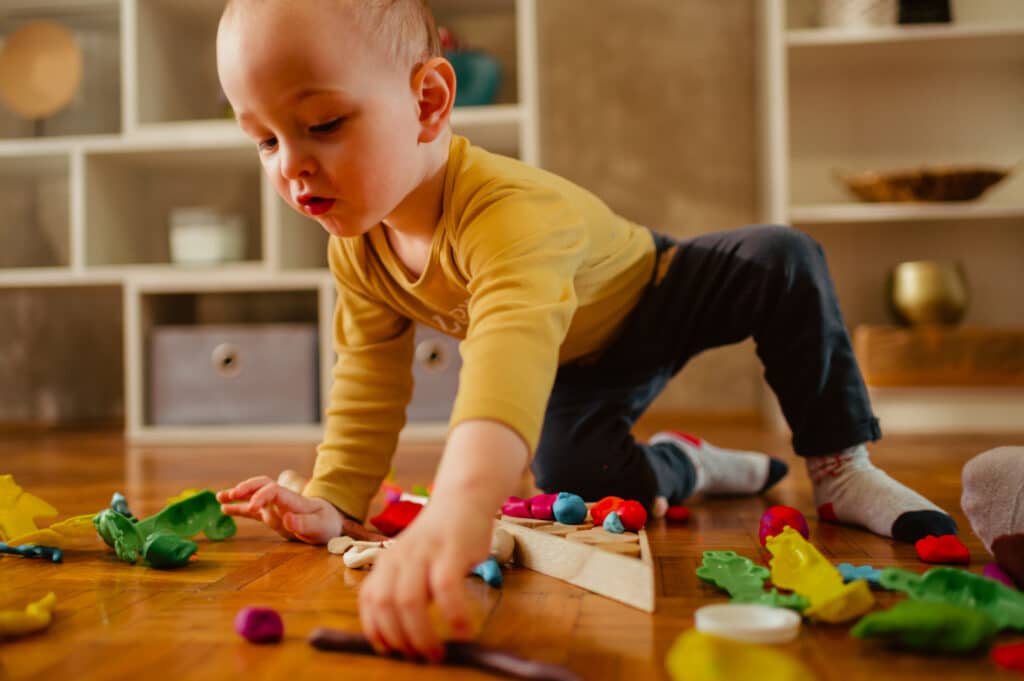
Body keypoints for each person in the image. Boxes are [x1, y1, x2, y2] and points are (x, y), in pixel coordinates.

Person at [213, 0, 957, 663]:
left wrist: (460, 512)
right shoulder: (357, 247)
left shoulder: (504, 214)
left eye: (322, 125)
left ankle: (842, 468)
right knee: (580, 477)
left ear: (429, 102)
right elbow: (368, 375)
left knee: (781, 258)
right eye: (265, 141)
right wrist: (337, 501)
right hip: (572, 367)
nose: (292, 168)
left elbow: (505, 355)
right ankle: (688, 468)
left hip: (654, 291)